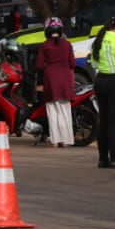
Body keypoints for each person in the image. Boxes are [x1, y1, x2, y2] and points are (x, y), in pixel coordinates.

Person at [91, 17, 115, 168]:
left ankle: (103, 158)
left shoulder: (98, 41)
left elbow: (94, 63)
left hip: (101, 80)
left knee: (104, 121)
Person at [35, 17, 77, 148]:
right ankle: (66, 140)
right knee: (65, 110)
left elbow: (39, 65)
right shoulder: (67, 44)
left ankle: (55, 140)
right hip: (65, 80)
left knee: (52, 111)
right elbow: (73, 63)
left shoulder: (44, 46)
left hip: (50, 80)